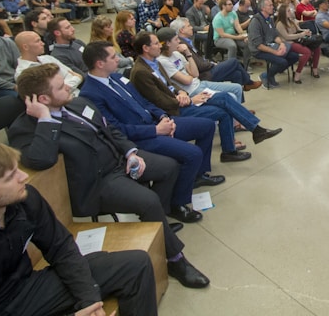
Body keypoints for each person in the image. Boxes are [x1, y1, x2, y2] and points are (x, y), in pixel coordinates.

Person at [8, 64, 210, 288]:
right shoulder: (26, 128)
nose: (68, 87)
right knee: (148, 200)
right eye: (60, 86)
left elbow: (110, 130)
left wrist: (130, 152)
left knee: (169, 167)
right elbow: (40, 159)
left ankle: (158, 224)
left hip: (120, 161)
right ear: (43, 100)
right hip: (97, 182)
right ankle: (176, 261)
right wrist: (46, 119)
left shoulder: (77, 103)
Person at [0, 143, 158, 315]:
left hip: (27, 288)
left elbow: (60, 247)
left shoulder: (23, 200)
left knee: (135, 265)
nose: (23, 178)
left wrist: (89, 300)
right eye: (10, 176)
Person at [80, 41, 224, 222]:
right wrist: (155, 130)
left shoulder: (116, 78)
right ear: (100, 63)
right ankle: (177, 204)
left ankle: (197, 175)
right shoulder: (90, 94)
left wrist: (163, 116)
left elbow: (145, 102)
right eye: (113, 57)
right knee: (192, 153)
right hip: (140, 137)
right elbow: (115, 129)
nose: (118, 59)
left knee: (207, 126)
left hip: (157, 123)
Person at [130, 32, 278, 161]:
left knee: (224, 103)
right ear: (146, 48)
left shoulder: (154, 63)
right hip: (173, 110)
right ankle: (254, 132)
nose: (160, 46)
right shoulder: (141, 72)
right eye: (156, 43)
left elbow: (170, 85)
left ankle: (233, 148)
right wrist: (188, 99)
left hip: (183, 98)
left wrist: (181, 92)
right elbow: (158, 100)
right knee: (224, 103)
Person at [171, 17, 261, 90]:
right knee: (233, 62)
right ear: (181, 30)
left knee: (237, 74)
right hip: (204, 75)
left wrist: (210, 63)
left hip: (206, 69)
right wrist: (212, 64)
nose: (192, 27)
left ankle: (239, 108)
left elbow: (199, 60)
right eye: (189, 26)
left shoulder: (187, 41)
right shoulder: (182, 45)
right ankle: (249, 83)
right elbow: (199, 66)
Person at [248, 0, 300, 88]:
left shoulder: (270, 19)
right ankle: (267, 76)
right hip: (259, 50)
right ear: (263, 8)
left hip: (271, 45)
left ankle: (268, 75)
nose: (273, 7)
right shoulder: (255, 22)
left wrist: (282, 44)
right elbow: (259, 45)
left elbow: (275, 35)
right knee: (282, 61)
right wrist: (276, 52)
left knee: (294, 56)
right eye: (270, 5)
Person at [14, 31, 83, 93]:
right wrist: (77, 78)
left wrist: (63, 86)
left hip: (77, 93)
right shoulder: (22, 73)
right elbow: (52, 94)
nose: (43, 43)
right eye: (37, 41)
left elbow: (69, 74)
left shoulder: (47, 58)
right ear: (26, 47)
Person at [276, 2, 321, 81]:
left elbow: (298, 30)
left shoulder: (291, 21)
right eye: (288, 11)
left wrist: (305, 31)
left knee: (317, 48)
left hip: (297, 40)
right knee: (307, 52)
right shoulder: (280, 24)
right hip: (288, 43)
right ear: (283, 13)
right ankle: (298, 72)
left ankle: (315, 68)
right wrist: (301, 34)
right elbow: (287, 36)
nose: (291, 12)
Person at [211, 0, 251, 67]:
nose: (232, 6)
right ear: (223, 6)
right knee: (232, 46)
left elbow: (237, 26)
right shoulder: (218, 18)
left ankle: (245, 66)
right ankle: (231, 66)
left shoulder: (233, 13)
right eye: (229, 4)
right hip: (220, 39)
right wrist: (237, 37)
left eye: (232, 4)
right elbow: (222, 34)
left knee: (248, 43)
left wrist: (243, 35)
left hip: (233, 35)